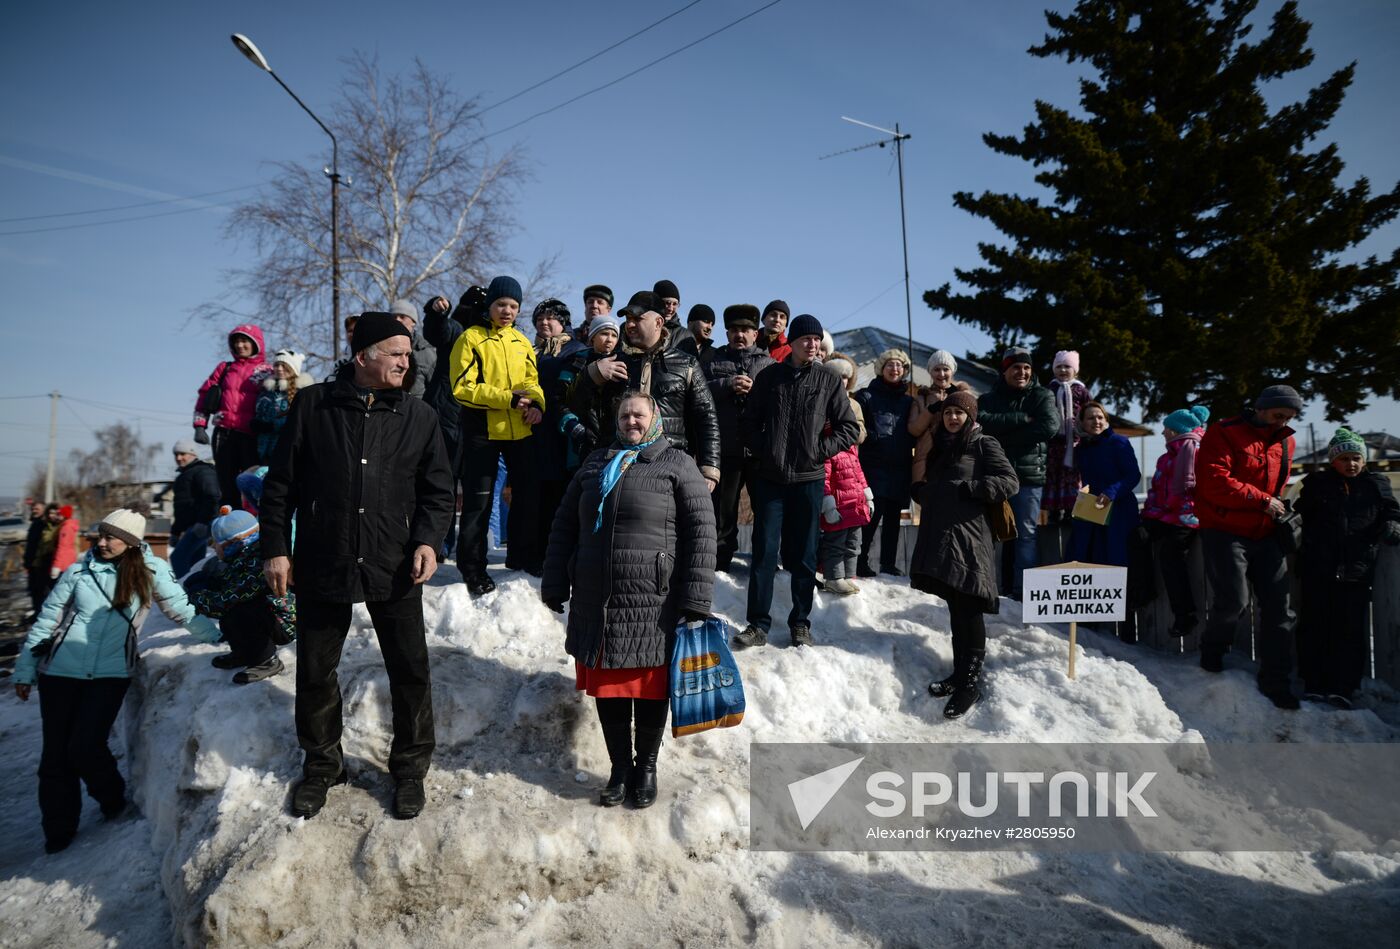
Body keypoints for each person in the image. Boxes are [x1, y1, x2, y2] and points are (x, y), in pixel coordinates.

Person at [260, 312, 455, 820]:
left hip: (394, 562)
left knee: (410, 670)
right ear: (364, 355)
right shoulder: (313, 406)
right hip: (324, 557)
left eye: (408, 354)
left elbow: (437, 493)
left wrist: (428, 542)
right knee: (316, 671)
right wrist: (276, 548)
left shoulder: (419, 417)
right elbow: (280, 486)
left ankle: (410, 770)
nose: (404, 362)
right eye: (395, 353)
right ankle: (322, 765)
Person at [542, 392, 716, 809]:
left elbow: (702, 532)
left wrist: (696, 598)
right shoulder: (597, 462)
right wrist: (553, 580)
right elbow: (565, 523)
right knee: (611, 690)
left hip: (653, 601)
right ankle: (620, 768)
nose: (630, 421)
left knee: (650, 691)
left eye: (638, 414)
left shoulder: (677, 463)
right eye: (624, 415)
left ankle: (647, 767)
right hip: (595, 598)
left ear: (656, 417)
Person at [13, 507, 220, 854]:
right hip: (59, 672)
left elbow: (179, 608)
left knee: (85, 746)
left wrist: (215, 637)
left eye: (111, 537)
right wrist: (25, 668)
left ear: (130, 543)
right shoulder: (79, 570)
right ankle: (58, 829)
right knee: (55, 757)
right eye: (101, 535)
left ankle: (111, 799)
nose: (102, 542)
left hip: (109, 675)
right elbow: (48, 619)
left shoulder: (150, 570)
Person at [733, 314, 861, 649]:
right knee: (763, 553)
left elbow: (849, 428)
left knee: (804, 555)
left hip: (809, 479)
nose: (813, 345)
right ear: (793, 342)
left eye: (817, 340)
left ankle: (800, 623)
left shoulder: (829, 380)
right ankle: (757, 624)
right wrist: (764, 451)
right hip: (770, 479)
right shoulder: (769, 377)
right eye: (807, 339)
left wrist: (819, 451)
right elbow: (749, 421)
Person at [910, 392, 1019, 718]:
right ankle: (959, 675)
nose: (952, 418)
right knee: (957, 607)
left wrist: (970, 488)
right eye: (948, 413)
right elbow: (938, 484)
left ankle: (971, 683)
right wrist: (926, 492)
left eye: (959, 413)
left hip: (972, 537)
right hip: (946, 536)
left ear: (970, 416)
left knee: (970, 607)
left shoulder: (984, 443)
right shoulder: (941, 445)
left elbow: (1009, 481)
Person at [1195, 384, 1302, 709]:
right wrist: (1261, 500)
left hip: (1266, 533)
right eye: (1278, 414)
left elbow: (1279, 485)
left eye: (1289, 417)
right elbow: (1213, 480)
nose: (1282, 421)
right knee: (1234, 601)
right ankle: (1213, 651)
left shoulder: (1287, 441)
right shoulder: (1224, 432)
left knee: (1280, 609)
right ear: (1261, 407)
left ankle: (1276, 681)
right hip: (1225, 530)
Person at [449, 276, 545, 594]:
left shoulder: (521, 341)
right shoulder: (470, 338)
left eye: (513, 306)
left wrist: (537, 406)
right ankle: (473, 568)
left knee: (528, 497)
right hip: (482, 431)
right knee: (479, 501)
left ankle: (523, 558)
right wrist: (508, 398)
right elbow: (462, 388)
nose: (507, 311)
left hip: (521, 430)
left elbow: (532, 381)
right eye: (501, 304)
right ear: (490, 305)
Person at [568, 291, 722, 489]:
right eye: (628, 319)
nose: (630, 324)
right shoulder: (609, 362)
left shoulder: (686, 364)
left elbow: (706, 416)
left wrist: (709, 468)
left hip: (669, 467)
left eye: (637, 319)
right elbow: (575, 405)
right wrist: (592, 375)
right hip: (616, 467)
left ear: (658, 322)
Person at [1295, 428, 1400, 708]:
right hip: (1318, 567)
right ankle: (1314, 684)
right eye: (1344, 459)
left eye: (1356, 458)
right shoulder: (1317, 483)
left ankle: (1344, 687)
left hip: (1356, 569)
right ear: (1333, 460)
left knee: (1350, 630)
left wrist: (1393, 523)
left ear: (1364, 460)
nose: (1351, 464)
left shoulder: (1376, 484)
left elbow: (1392, 509)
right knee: (1315, 627)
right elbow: (1298, 513)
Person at [977, 346, 1059, 599]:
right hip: (996, 476)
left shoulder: (1042, 395)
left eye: (1026, 367)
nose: (1021, 372)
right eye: (1015, 367)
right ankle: (992, 588)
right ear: (1005, 371)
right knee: (993, 534)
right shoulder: (989, 398)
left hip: (1029, 478)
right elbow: (982, 421)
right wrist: (1022, 419)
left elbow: (1050, 426)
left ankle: (1023, 593)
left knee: (1026, 535)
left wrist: (1004, 434)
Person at [704, 304, 776, 572]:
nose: (739, 335)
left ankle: (764, 563)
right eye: (734, 330)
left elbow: (780, 403)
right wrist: (727, 384)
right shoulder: (712, 361)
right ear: (727, 333)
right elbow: (697, 394)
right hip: (726, 448)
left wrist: (756, 391)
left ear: (755, 334)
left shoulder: (769, 364)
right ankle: (720, 565)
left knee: (766, 512)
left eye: (745, 330)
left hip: (760, 451)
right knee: (722, 514)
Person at [190, 505, 297, 684]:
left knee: (243, 611)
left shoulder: (258, 561)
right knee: (234, 613)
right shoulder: (242, 559)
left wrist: (198, 596)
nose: (215, 549)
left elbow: (229, 598)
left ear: (232, 544)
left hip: (284, 621)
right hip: (273, 616)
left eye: (217, 544)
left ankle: (266, 660)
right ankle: (244, 653)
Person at [1068, 402, 1142, 642]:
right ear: (1083, 423)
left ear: (1106, 420)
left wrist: (1111, 492)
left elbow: (1133, 475)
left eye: (1100, 417)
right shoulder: (1083, 449)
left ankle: (1128, 630)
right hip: (1093, 511)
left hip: (1119, 510)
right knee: (1093, 561)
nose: (1096, 422)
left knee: (1119, 564)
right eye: (1090, 418)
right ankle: (1095, 629)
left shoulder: (1119, 442)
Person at [423, 286, 488, 558]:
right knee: (441, 485)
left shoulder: (491, 340)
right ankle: (438, 544)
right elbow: (438, 330)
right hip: (445, 418)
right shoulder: (457, 331)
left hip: (473, 421)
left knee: (472, 489)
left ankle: (465, 549)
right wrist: (435, 311)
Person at [1141, 405, 1211, 637]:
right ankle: (1141, 593)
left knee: (1171, 555)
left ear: (1176, 430)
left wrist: (1165, 510)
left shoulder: (1195, 450)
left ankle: (1185, 615)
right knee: (1136, 536)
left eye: (1166, 429)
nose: (1163, 433)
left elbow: (1191, 490)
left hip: (1186, 516)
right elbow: (1159, 491)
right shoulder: (1168, 455)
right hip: (1166, 514)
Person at [194, 324, 271, 508]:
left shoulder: (266, 371)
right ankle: (230, 527)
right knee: (227, 486)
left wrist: (272, 425)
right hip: (224, 433)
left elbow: (276, 399)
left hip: (251, 435)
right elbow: (206, 393)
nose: (240, 345)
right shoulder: (225, 368)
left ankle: (254, 527)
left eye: (244, 341)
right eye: (236, 341)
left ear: (256, 343)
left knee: (251, 482)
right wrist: (199, 424)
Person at [856, 349, 916, 577]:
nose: (895, 369)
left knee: (893, 519)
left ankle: (888, 564)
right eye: (890, 365)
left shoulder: (909, 401)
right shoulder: (866, 396)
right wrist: (872, 436)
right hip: (874, 466)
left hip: (900, 468)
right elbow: (858, 425)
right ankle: (860, 561)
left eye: (900, 366)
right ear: (882, 368)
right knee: (870, 517)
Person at [820, 355, 873, 595]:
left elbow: (859, 469)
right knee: (835, 541)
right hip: (838, 502)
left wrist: (866, 494)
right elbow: (825, 474)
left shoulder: (854, 406)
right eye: (835, 376)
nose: (840, 381)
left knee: (854, 543)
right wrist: (827, 500)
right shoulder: (828, 446)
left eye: (844, 376)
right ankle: (834, 576)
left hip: (854, 501)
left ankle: (850, 575)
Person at [557, 316, 622, 475]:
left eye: (614, 335)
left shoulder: (621, 363)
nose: (609, 340)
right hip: (580, 442)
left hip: (612, 442)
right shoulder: (577, 361)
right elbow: (559, 399)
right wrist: (573, 427)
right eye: (604, 334)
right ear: (592, 337)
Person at [908, 350, 971, 488]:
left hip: (958, 458)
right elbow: (913, 430)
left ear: (952, 371)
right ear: (930, 372)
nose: (941, 374)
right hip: (927, 462)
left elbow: (973, 426)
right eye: (936, 369)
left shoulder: (964, 396)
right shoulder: (921, 399)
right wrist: (930, 410)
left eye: (945, 369)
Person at [1043, 351, 1091, 524]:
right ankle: (1053, 512)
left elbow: (1089, 410)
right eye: (1059, 366)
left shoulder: (1080, 390)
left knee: (1072, 477)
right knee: (1054, 476)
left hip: (1075, 441)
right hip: (1054, 443)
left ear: (1075, 370)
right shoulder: (1049, 390)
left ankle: (1071, 510)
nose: (1063, 370)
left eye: (1067, 366)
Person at [169, 439, 222, 578]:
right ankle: (198, 592)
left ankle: (185, 591)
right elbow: (182, 509)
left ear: (192, 454)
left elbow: (213, 496)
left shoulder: (203, 471)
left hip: (201, 525)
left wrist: (204, 522)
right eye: (176, 454)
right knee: (195, 564)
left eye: (182, 454)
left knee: (178, 558)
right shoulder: (185, 475)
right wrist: (175, 532)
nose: (178, 458)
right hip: (194, 525)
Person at [253, 350, 305, 464]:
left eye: (284, 365)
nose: (279, 369)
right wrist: (256, 424)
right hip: (263, 448)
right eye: (276, 365)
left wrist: (274, 425)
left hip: (286, 449)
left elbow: (300, 420)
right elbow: (258, 413)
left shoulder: (301, 393)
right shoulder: (266, 392)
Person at [390, 299, 437, 399]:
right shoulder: (381, 350)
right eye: (394, 317)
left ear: (413, 322)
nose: (397, 320)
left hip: (419, 411)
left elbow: (436, 390)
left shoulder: (426, 351)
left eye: (402, 317)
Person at [23, 500, 49, 615]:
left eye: (37, 509)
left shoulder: (44, 524)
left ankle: (40, 615)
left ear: (44, 510)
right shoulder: (35, 522)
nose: (34, 511)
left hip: (40, 563)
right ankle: (36, 613)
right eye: (33, 509)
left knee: (40, 591)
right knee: (34, 590)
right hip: (32, 563)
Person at [653, 279, 683, 347]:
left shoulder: (684, 335)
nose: (671, 308)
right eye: (667, 303)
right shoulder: (641, 327)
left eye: (675, 304)